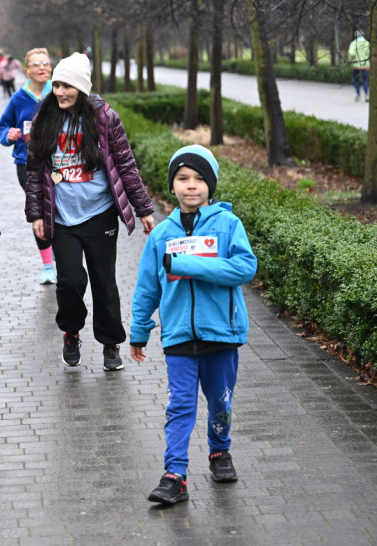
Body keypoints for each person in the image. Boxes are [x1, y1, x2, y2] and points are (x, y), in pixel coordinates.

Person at [130, 145, 258, 505]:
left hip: (222, 333)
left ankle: (220, 452)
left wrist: (190, 265)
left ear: (211, 185)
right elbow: (146, 287)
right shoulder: (161, 235)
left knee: (220, 401)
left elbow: (245, 269)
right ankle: (175, 475)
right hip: (178, 337)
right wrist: (139, 331)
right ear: (172, 186)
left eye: (200, 179)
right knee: (180, 405)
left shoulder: (228, 225)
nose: (191, 186)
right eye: (183, 179)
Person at [24, 52, 156, 370]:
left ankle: (111, 344)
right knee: (69, 282)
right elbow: (35, 168)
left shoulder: (104, 117)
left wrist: (144, 208)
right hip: (62, 216)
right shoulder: (46, 116)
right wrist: (37, 214)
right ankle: (71, 331)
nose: (59, 92)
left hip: (99, 214)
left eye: (66, 85)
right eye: (56, 85)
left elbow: (125, 164)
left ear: (81, 88)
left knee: (103, 281)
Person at [0, 47, 57, 284]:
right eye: (36, 64)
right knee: (40, 210)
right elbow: (2, 127)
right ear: (26, 70)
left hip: (59, 164)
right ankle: (48, 265)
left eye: (45, 63)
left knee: (60, 208)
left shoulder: (60, 91)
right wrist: (8, 135)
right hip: (26, 164)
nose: (42, 67)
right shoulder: (18, 98)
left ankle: (65, 258)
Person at [348, 29, 370, 102]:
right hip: (365, 65)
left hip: (356, 65)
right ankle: (367, 95)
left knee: (356, 80)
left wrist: (353, 57)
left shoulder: (354, 43)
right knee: (365, 80)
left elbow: (351, 53)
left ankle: (358, 95)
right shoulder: (367, 43)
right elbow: (370, 53)